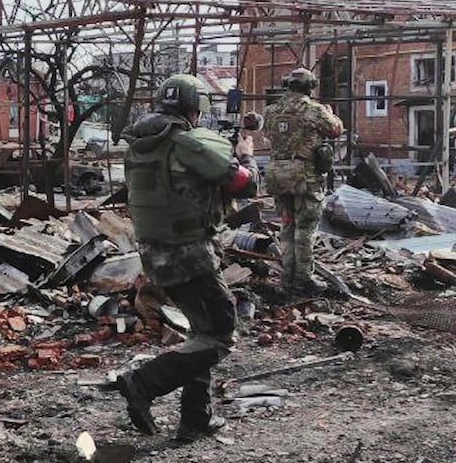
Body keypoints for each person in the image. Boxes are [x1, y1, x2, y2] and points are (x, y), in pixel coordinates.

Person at [113, 74, 259, 442]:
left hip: (154, 253)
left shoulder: (140, 145)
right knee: (221, 334)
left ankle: (196, 417)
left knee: (201, 331)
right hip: (190, 254)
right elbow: (245, 184)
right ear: (194, 110)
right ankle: (143, 383)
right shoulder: (188, 145)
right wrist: (247, 157)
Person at [261, 67, 344, 296]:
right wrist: (331, 113)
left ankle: (287, 277)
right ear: (310, 87)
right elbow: (335, 129)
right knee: (305, 227)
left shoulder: (271, 110)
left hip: (277, 173)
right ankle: (303, 280)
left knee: (287, 224)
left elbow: (269, 134)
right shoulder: (313, 110)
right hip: (303, 175)